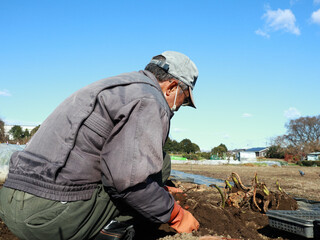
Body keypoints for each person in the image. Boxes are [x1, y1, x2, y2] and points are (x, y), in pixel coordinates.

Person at [0, 51, 200, 240]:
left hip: (10, 203)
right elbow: (129, 184)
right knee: (147, 179)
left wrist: (158, 188)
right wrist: (176, 215)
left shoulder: (117, 86)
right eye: (183, 101)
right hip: (47, 217)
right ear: (172, 87)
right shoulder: (150, 100)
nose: (178, 107)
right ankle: (108, 233)